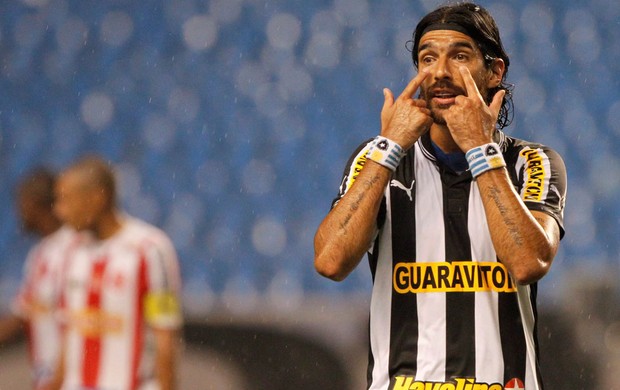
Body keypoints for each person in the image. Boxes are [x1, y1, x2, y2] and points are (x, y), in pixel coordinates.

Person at [314, 3, 567, 390]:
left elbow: (527, 261)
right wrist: (390, 146)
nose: (441, 73)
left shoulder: (530, 161)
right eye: (427, 58)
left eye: (460, 56)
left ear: (495, 71)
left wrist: (480, 150)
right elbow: (330, 261)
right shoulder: (379, 158)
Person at [51, 156, 182, 390]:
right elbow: (69, 335)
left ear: (97, 198)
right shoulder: (68, 252)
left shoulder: (151, 249)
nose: (61, 211)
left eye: (67, 200)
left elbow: (166, 336)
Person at [0, 168, 77, 390]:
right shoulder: (40, 254)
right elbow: (22, 314)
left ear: (36, 204)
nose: (19, 211)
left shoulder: (75, 250)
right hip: (45, 378)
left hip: (70, 380)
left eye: (22, 203)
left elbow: (78, 320)